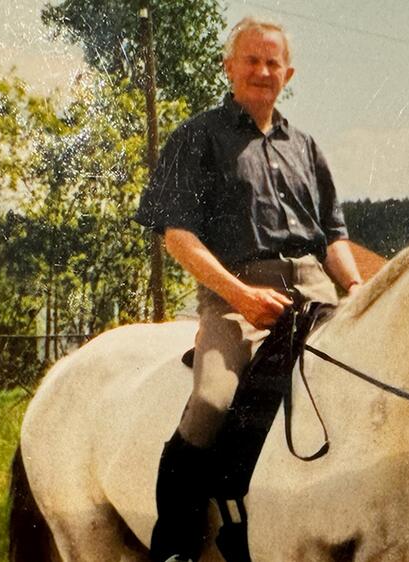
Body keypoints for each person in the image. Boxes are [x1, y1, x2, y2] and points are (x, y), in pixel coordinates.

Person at [134, 16, 363, 562]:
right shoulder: (196, 137)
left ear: (289, 73)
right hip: (235, 299)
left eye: (273, 62)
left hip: (316, 293)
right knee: (212, 400)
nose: (263, 71)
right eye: (252, 60)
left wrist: (354, 287)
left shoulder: (306, 147)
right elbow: (178, 236)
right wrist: (239, 295)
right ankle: (177, 545)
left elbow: (333, 235)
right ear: (229, 66)